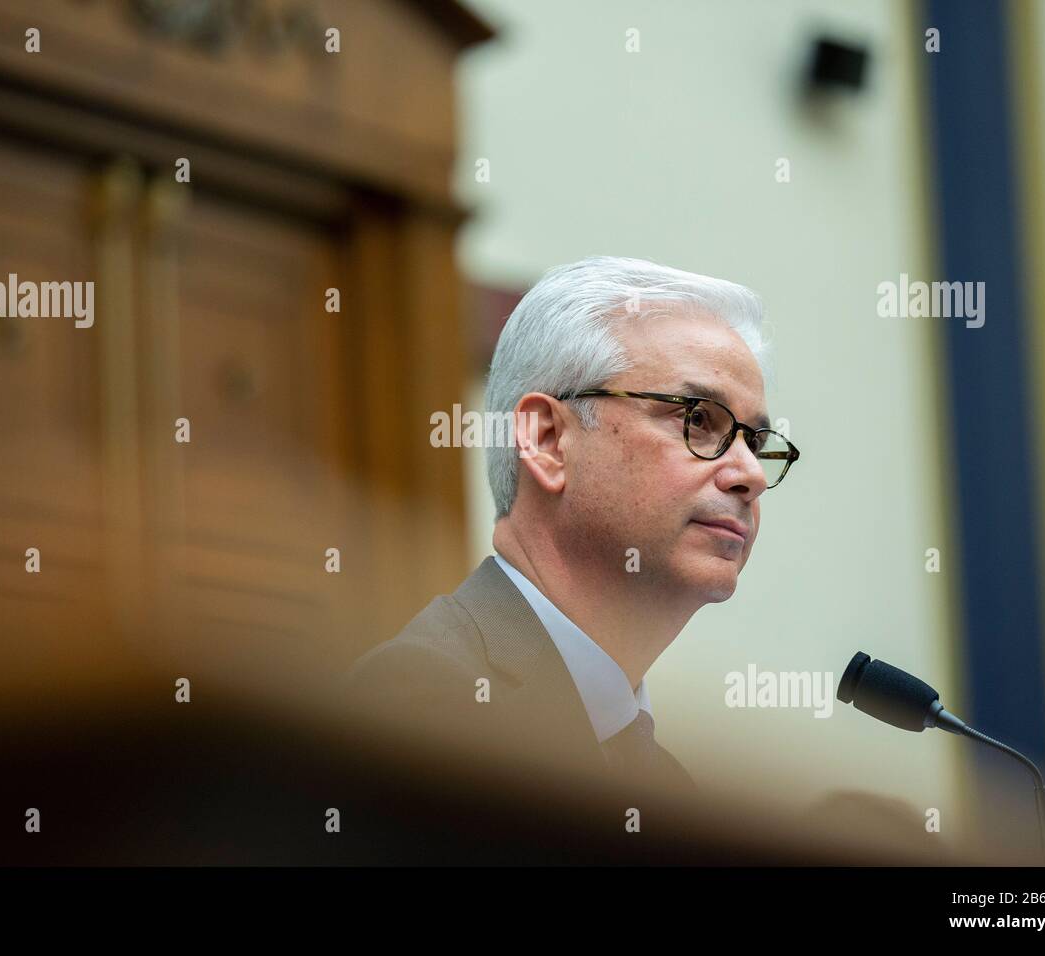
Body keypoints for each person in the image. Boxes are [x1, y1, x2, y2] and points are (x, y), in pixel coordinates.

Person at [340, 255, 799, 803]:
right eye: (698, 418)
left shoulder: (669, 787)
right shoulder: (424, 704)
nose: (749, 474)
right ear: (548, 440)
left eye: (756, 441)